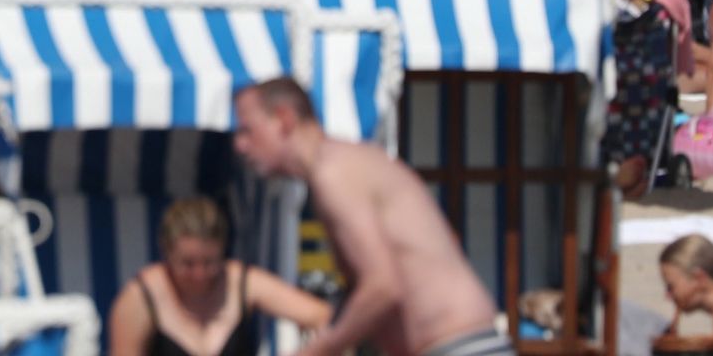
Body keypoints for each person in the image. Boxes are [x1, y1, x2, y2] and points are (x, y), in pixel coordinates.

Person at [232, 78, 506, 356]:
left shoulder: (334, 173)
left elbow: (383, 285)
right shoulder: (339, 167)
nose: (240, 145)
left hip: (459, 346)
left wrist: (319, 349)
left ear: (284, 118)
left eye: (247, 130)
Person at [110, 197, 336, 356]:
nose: (199, 275)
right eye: (187, 264)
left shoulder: (241, 282)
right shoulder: (140, 298)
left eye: (210, 263)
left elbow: (321, 315)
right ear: (166, 254)